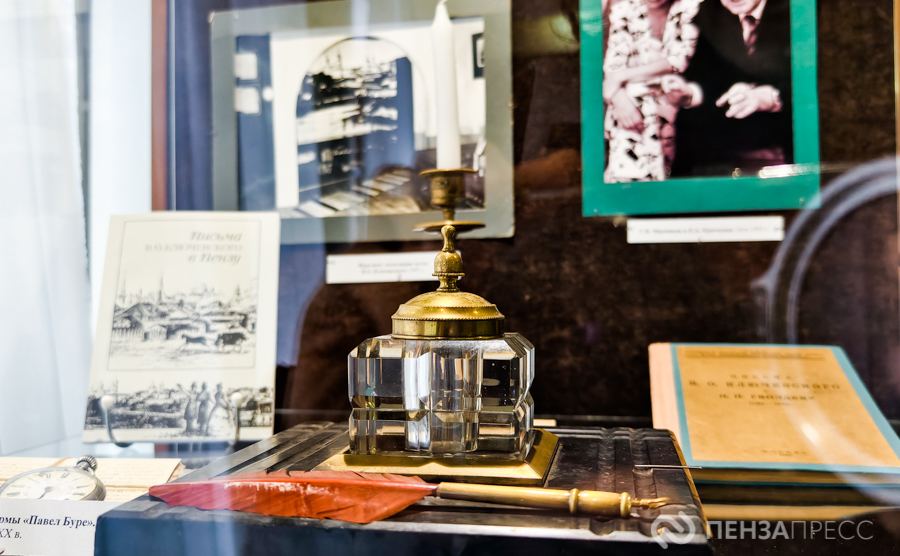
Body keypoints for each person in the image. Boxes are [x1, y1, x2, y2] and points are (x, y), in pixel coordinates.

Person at [668, 0, 793, 177]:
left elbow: (820, 82)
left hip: (789, 154)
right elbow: (705, 77)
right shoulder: (709, 11)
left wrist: (770, 98)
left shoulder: (800, 9)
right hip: (731, 154)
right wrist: (689, 93)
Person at [602, 0, 702, 182]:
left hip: (678, 106)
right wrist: (618, 98)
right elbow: (613, 67)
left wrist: (619, 78)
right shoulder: (624, 10)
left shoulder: (691, 7)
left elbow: (679, 60)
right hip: (633, 109)